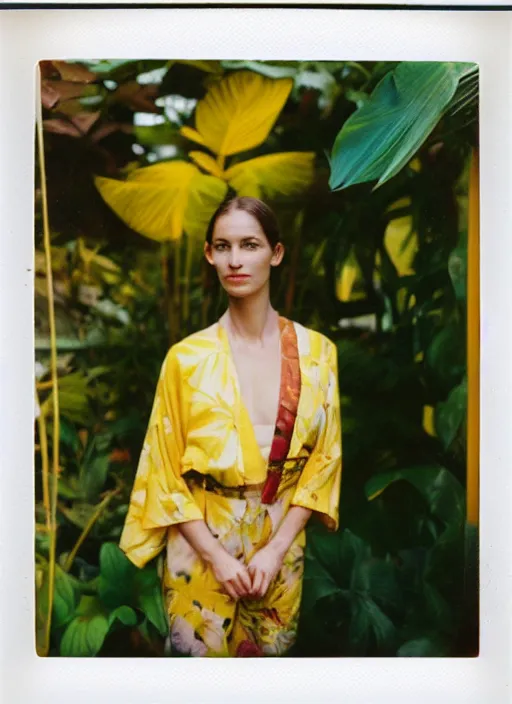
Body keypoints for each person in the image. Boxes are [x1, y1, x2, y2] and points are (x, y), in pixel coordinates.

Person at [119, 196, 342, 657]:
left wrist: (277, 548)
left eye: (250, 245)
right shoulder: (186, 359)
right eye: (223, 246)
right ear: (209, 254)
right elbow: (162, 470)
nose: (235, 260)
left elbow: (324, 463)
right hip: (200, 543)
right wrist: (216, 556)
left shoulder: (318, 352)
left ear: (275, 253)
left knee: (267, 675)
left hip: (279, 546)